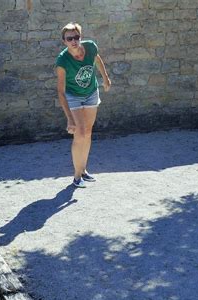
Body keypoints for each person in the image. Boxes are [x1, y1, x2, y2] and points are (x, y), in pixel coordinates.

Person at [55, 22, 111, 188]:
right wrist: (69, 119)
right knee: (79, 133)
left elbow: (97, 60)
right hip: (73, 96)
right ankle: (76, 176)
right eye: (69, 38)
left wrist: (105, 78)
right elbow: (61, 91)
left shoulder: (90, 47)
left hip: (91, 93)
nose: (74, 41)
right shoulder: (63, 60)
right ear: (64, 41)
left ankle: (83, 169)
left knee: (87, 132)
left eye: (76, 37)